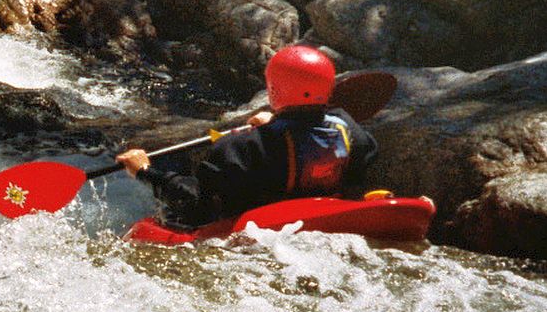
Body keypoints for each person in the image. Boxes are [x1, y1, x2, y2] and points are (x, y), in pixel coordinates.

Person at [118, 44, 378, 228]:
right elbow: (328, 146)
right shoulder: (350, 130)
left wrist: (144, 171)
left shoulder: (240, 147)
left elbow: (195, 204)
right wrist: (279, 124)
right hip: (324, 218)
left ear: (274, 92)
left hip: (263, 232)